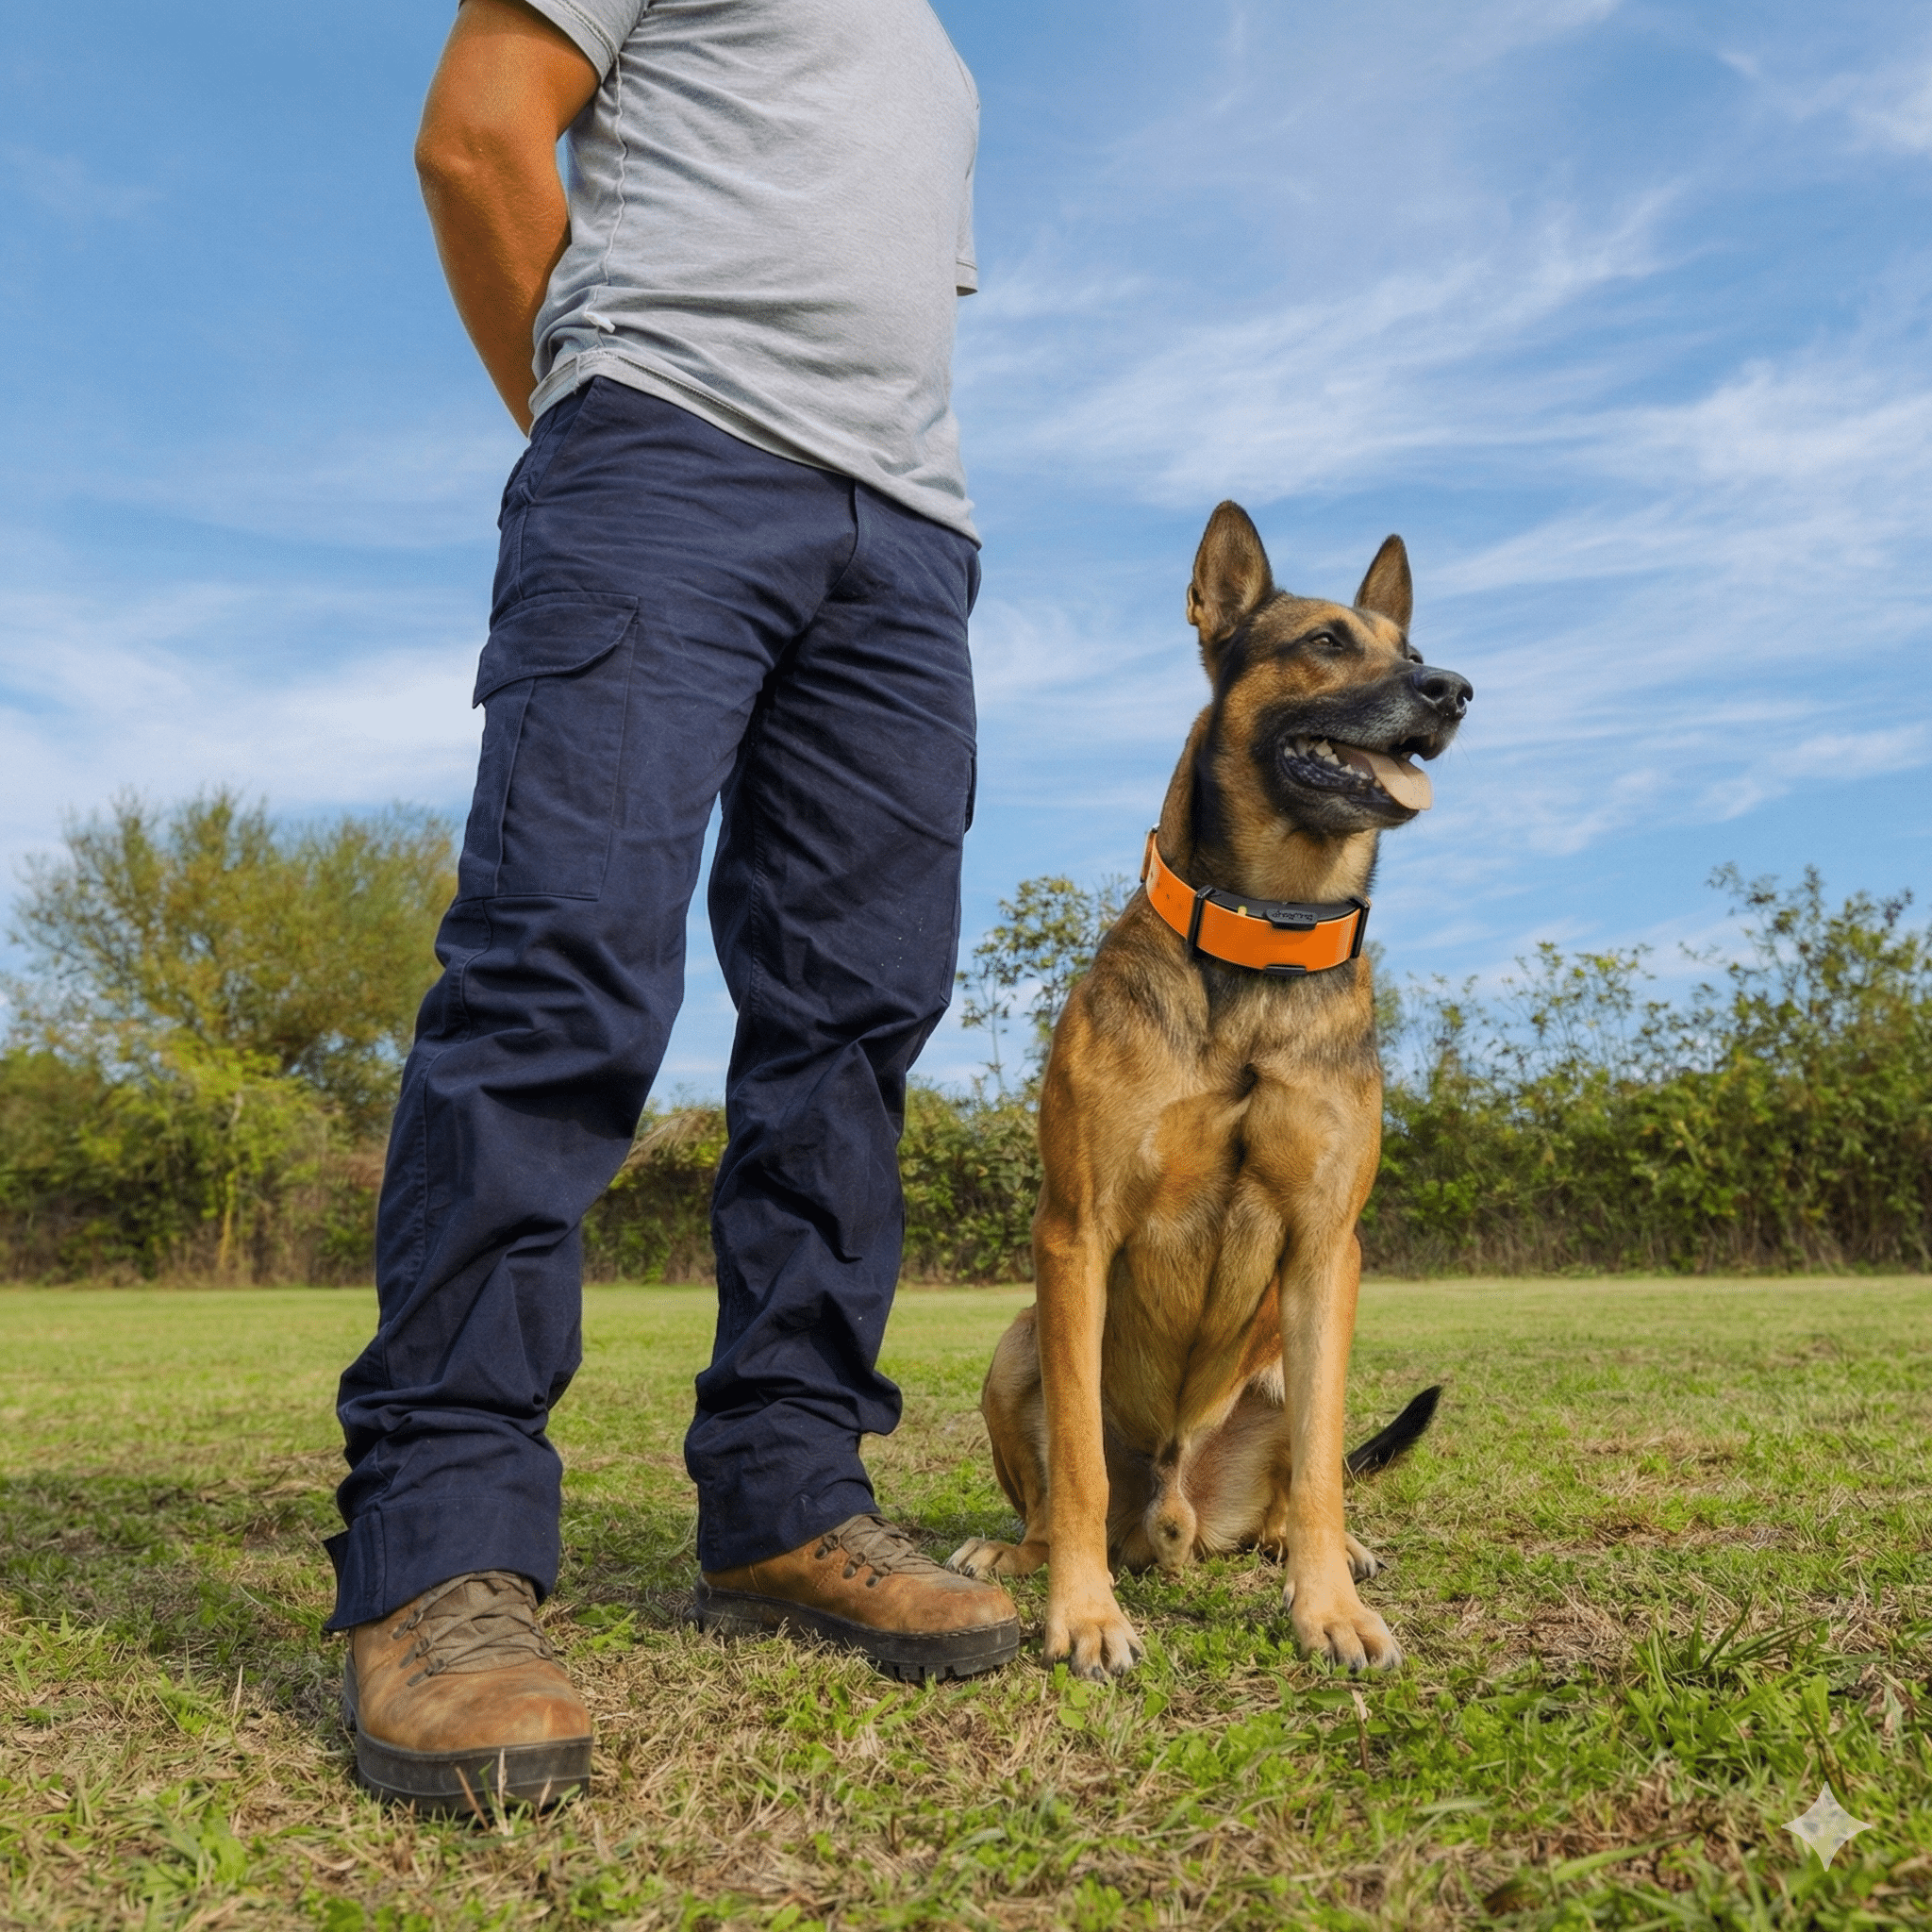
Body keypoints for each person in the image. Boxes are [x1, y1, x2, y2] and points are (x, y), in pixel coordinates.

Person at [325, 0, 1019, 1810]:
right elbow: (479, 136)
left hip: (907, 538)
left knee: (855, 1026)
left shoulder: (940, 57)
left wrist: (907, 525)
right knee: (562, 977)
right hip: (665, 460)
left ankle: (790, 1498)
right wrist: (591, 422)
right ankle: (440, 1551)